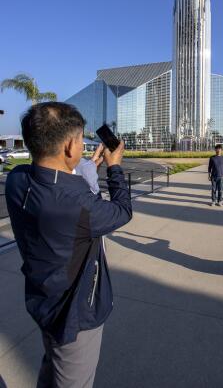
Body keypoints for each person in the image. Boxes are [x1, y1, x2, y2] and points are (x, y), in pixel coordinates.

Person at [5, 102, 133, 388]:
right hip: (74, 314)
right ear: (67, 147)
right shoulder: (75, 205)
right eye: (80, 140)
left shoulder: (17, 180)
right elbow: (122, 212)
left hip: (43, 298)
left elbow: (56, 185)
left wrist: (86, 169)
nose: (83, 147)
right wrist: (114, 168)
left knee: (53, 367)